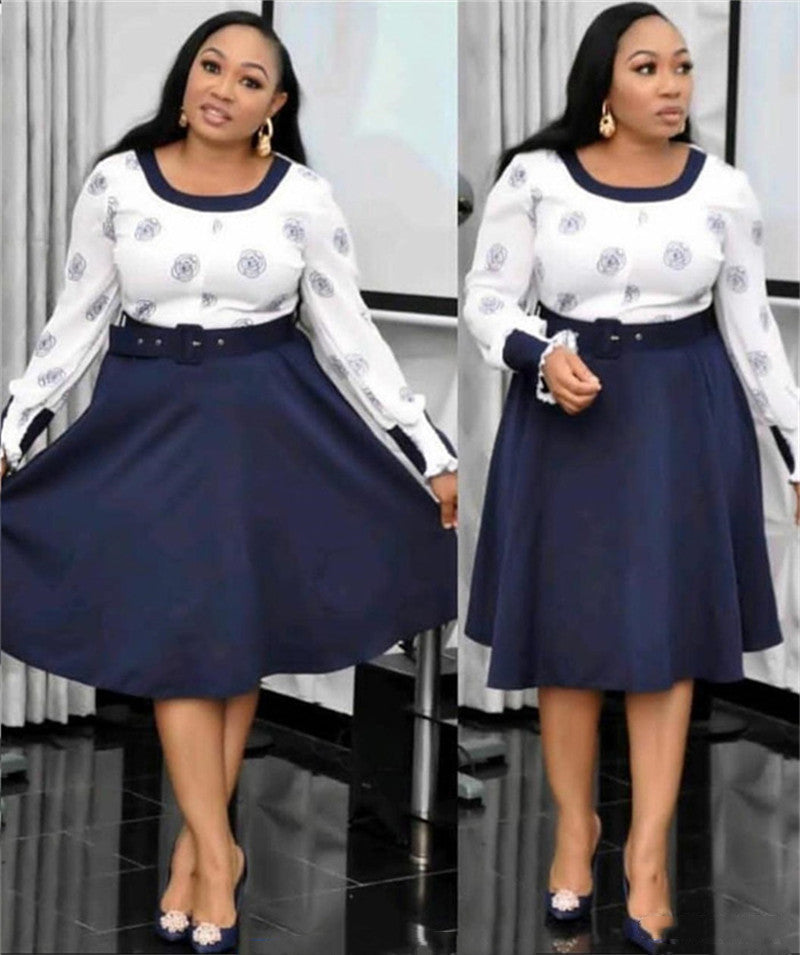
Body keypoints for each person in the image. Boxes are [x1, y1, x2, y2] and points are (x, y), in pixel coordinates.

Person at [0, 11, 458, 954]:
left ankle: (194, 856)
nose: (224, 86)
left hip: (266, 427)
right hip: (148, 424)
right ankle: (217, 848)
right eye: (212, 65)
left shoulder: (303, 197)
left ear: (275, 106)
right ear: (186, 74)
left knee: (228, 640)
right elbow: (75, 318)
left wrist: (427, 448)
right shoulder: (117, 182)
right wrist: (13, 427)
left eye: (251, 80)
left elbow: (346, 330)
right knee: (181, 640)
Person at [462, 4, 798, 953]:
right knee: (570, 645)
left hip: (683, 420)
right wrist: (535, 352)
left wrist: (796, 445)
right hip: (568, 413)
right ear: (604, 87)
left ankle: (647, 854)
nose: (673, 84)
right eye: (648, 67)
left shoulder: (724, 190)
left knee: (664, 642)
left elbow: (752, 326)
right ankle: (578, 834)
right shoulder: (534, 177)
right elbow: (487, 297)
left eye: (683, 67)